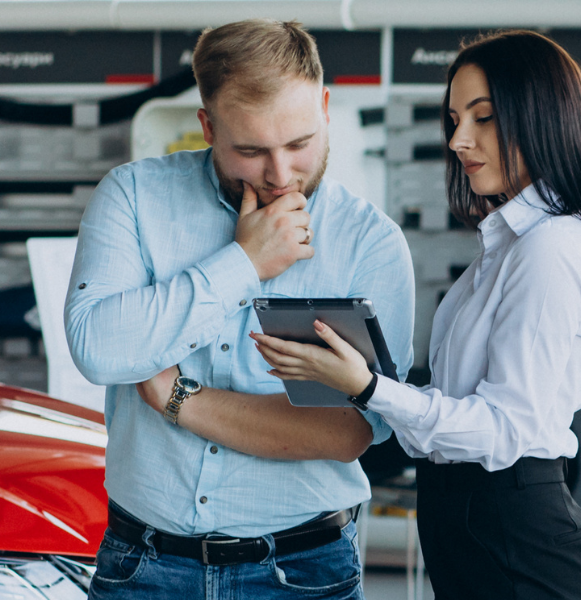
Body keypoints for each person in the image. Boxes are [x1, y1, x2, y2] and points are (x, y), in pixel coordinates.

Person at [253, 30, 581, 600]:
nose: (458, 140)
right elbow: (451, 418)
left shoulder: (551, 247)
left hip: (517, 535)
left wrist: (370, 387)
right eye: (454, 120)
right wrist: (355, 381)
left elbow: (505, 428)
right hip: (469, 524)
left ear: (543, 118)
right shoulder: (502, 247)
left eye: (484, 118)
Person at [62, 18, 413, 600]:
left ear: (325, 109)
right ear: (207, 126)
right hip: (141, 566)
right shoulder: (131, 197)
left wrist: (179, 398)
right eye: (250, 151)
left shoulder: (370, 243)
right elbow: (100, 349)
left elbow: (348, 429)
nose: (280, 175)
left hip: (302, 573)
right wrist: (246, 263)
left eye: (300, 144)